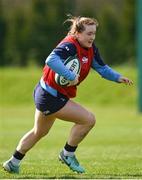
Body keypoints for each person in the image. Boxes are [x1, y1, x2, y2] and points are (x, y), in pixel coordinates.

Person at [3, 16, 133, 174]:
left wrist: (118, 77)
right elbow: (51, 59)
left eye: (94, 33)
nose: (92, 37)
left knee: (39, 131)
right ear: (77, 33)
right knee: (88, 120)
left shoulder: (91, 49)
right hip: (50, 96)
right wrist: (71, 76)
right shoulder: (69, 45)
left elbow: (102, 68)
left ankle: (13, 162)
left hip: (47, 93)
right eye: (89, 33)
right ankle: (67, 154)